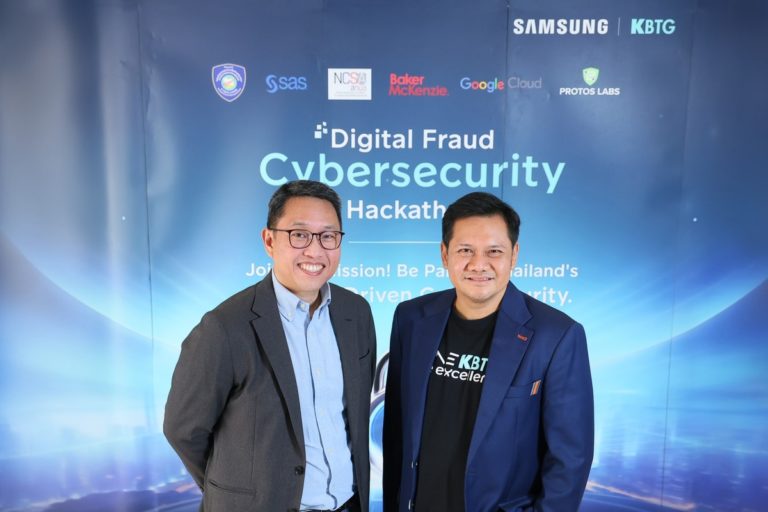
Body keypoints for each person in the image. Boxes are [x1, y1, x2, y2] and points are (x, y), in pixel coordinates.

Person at [164, 180, 376, 512]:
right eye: (299, 234)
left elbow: (355, 417)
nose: (315, 250)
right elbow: (183, 430)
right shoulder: (225, 327)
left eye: (328, 236)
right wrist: (239, 491)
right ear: (269, 241)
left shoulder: (356, 313)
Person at [382, 192, 593, 512]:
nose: (478, 264)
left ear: (514, 255)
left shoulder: (557, 335)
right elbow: (397, 432)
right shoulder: (411, 318)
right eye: (465, 250)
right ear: (444, 254)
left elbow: (570, 459)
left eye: (494, 251)